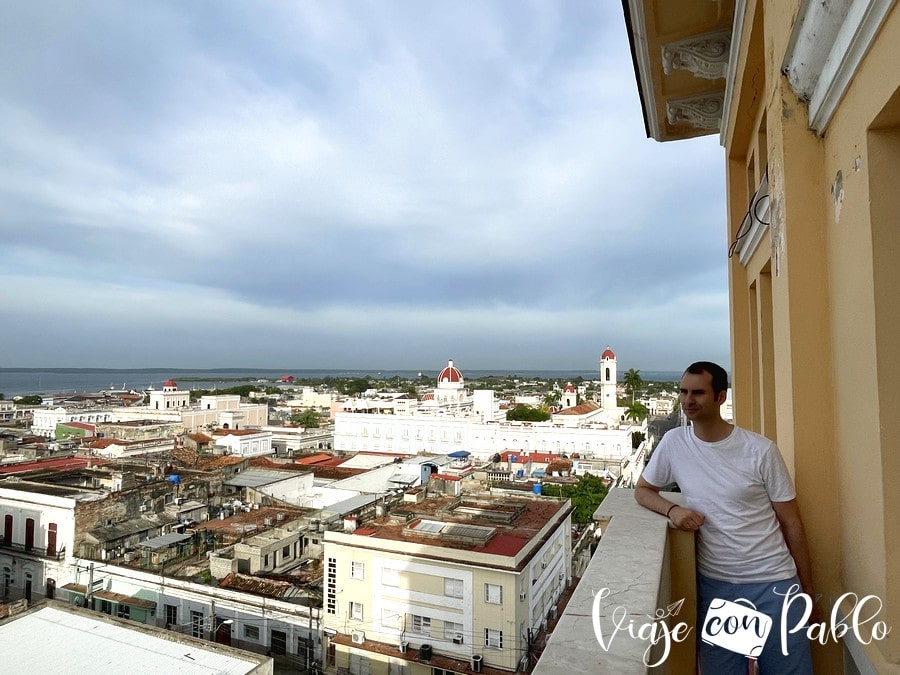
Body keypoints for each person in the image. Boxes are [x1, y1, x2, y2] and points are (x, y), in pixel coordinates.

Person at [635, 361, 814, 674]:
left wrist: (807, 591)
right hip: (718, 587)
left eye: (698, 393)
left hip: (773, 584)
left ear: (720, 397)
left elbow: (792, 524)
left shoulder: (760, 450)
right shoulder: (675, 443)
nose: (688, 400)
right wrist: (674, 510)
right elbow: (643, 490)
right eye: (683, 391)